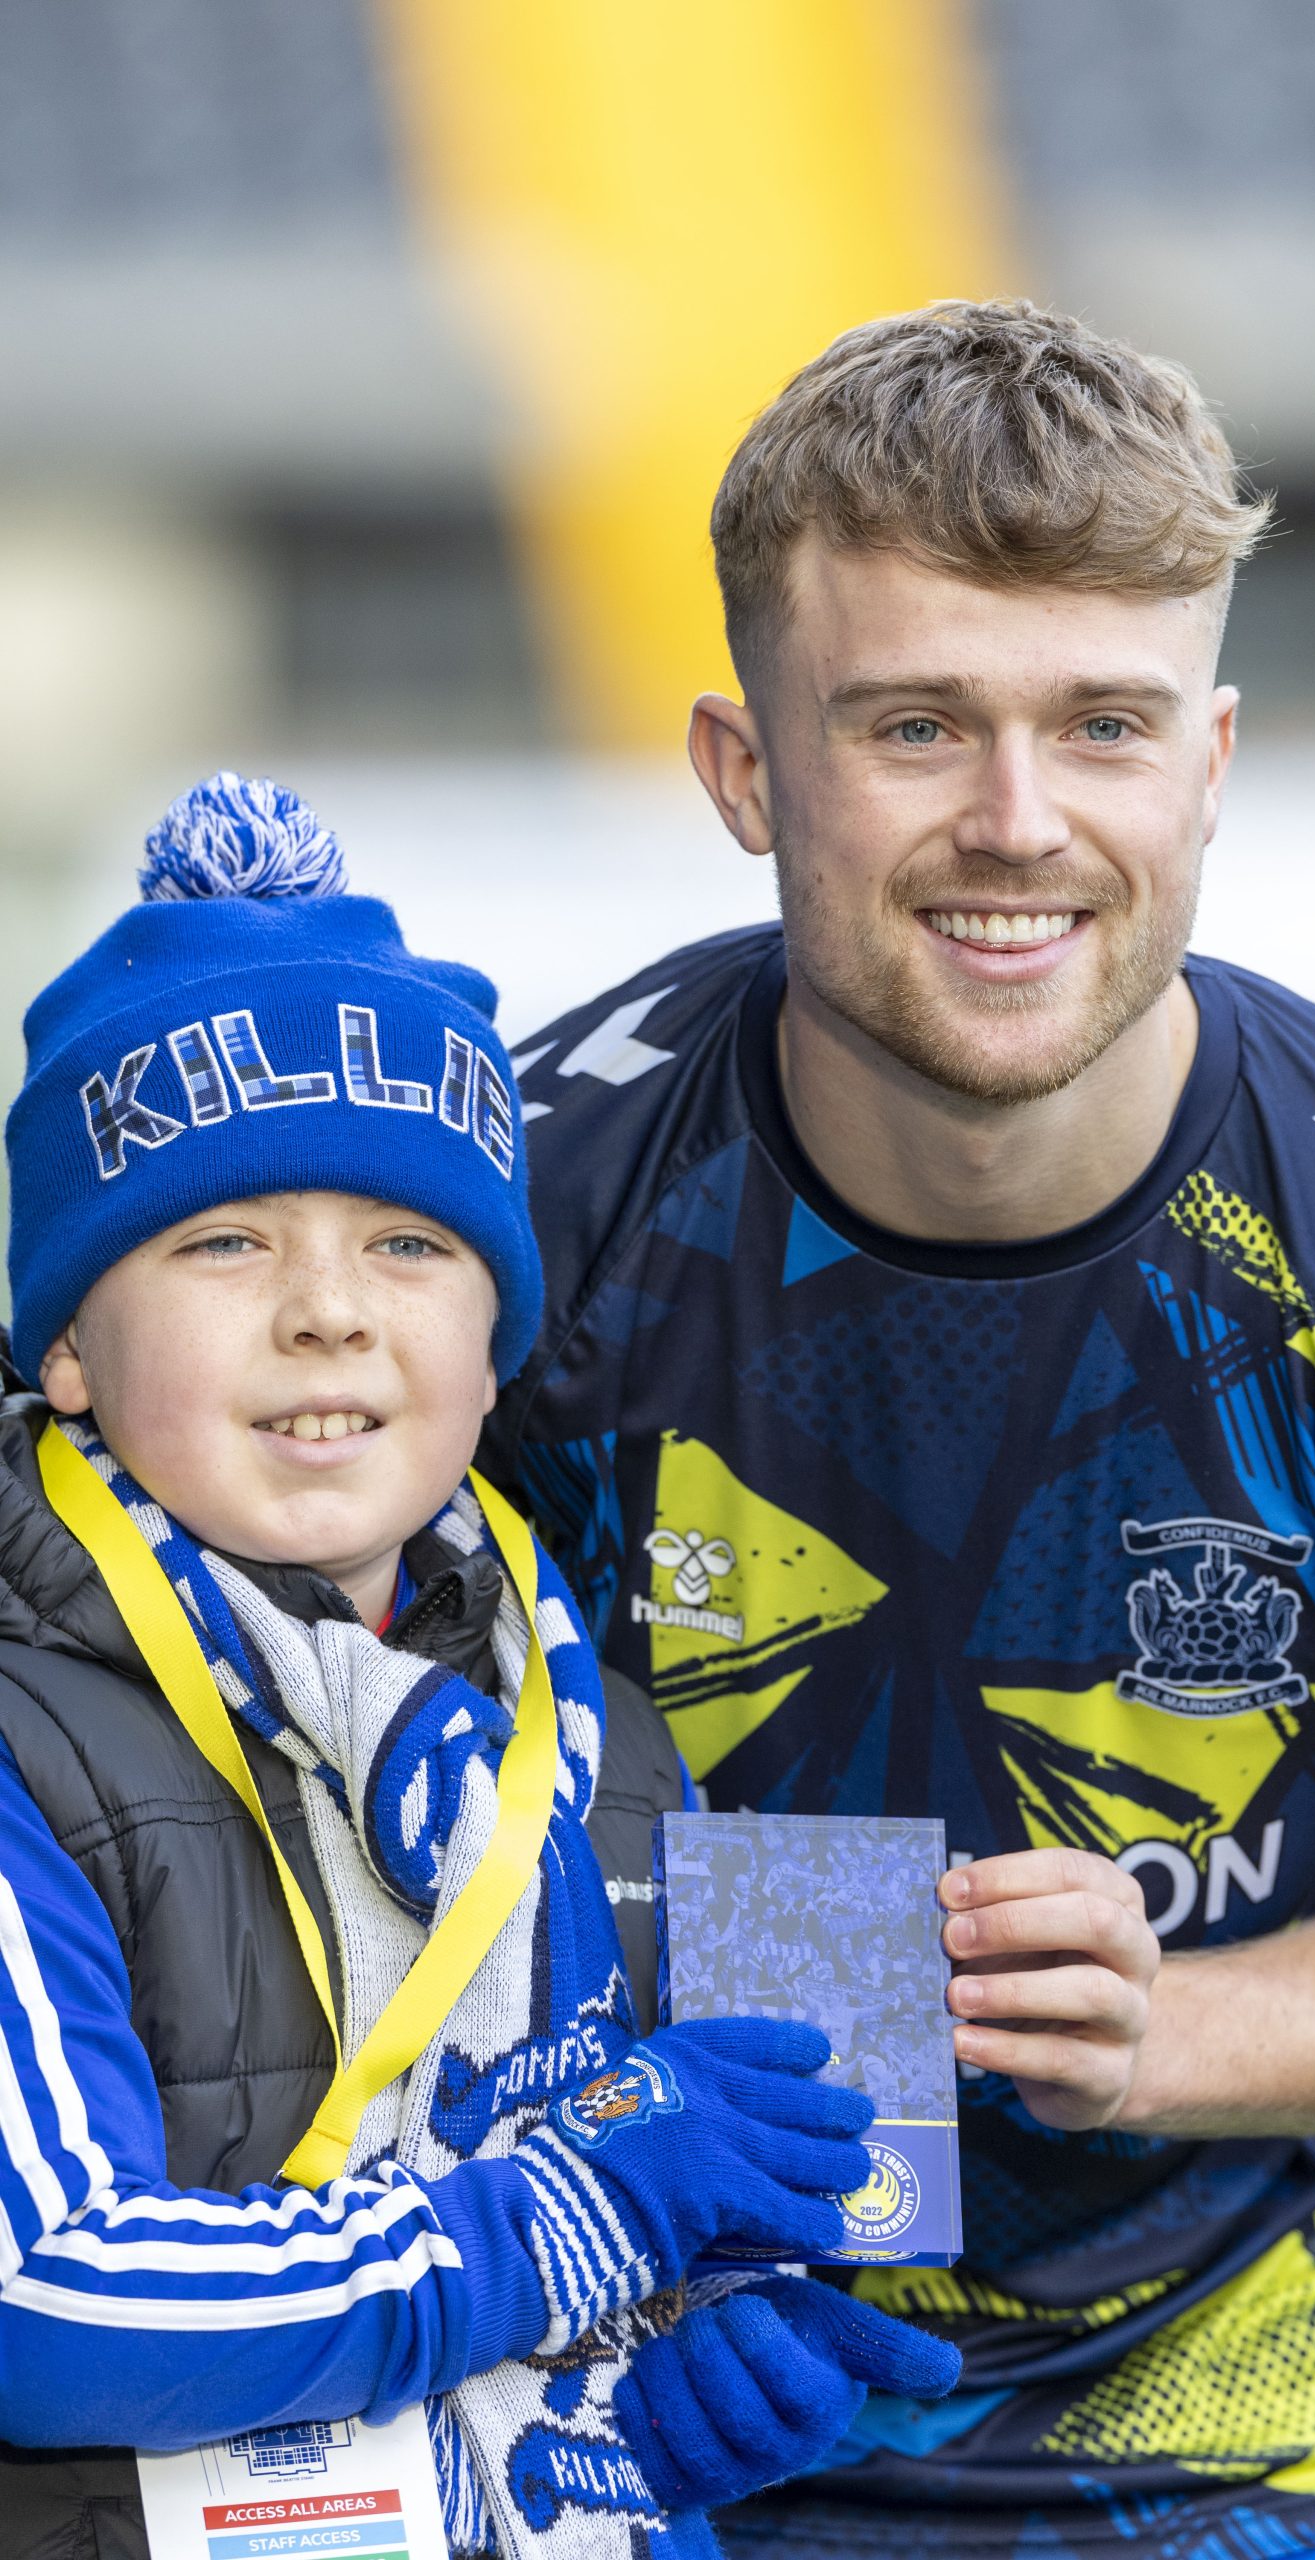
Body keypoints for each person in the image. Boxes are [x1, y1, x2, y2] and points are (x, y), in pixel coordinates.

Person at [484, 300, 1315, 2560]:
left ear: (1207, 762)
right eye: (914, 724)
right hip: (592, 2391)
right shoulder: (510, 1240)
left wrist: (1163, 2036)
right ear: (743, 769)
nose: (1017, 824)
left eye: (1102, 725)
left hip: (1223, 2415)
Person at [0, 773, 955, 2560]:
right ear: (65, 1348)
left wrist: (671, 2384)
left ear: (494, 1343)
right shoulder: (22, 1733)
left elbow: (713, 2209)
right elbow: (40, 2305)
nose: (328, 1309)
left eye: (411, 1244)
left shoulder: (605, 1727)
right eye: (223, 1241)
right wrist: (551, 2228)